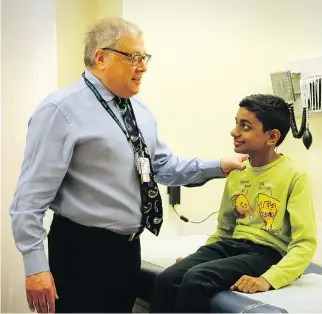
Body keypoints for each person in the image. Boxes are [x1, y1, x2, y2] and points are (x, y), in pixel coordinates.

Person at [9, 17, 247, 314]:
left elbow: (163, 167)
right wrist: (35, 267)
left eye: (144, 57)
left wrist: (220, 165)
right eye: (134, 57)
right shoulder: (61, 110)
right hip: (81, 251)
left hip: (127, 250)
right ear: (101, 58)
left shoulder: (139, 111)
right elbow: (29, 200)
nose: (143, 66)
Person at [150, 94, 317, 313]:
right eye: (236, 123)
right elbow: (224, 229)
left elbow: (305, 243)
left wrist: (269, 279)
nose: (234, 132)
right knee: (168, 278)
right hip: (231, 247)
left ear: (272, 136)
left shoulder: (295, 174)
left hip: (267, 253)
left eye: (245, 126)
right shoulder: (238, 172)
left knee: (196, 278)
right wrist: (199, 256)